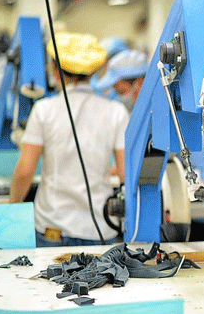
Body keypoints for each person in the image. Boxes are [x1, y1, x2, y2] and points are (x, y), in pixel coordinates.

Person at [9, 32, 129, 247]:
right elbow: (124, 173)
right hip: (100, 229)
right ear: (95, 72)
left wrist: (11, 206)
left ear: (55, 71)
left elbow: (25, 171)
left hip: (52, 229)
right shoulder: (116, 112)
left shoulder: (44, 111)